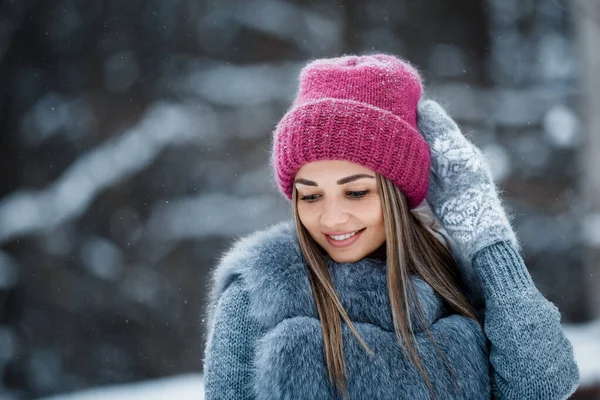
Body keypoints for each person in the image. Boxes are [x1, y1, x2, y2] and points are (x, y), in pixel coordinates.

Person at [202, 54, 579, 399]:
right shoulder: (257, 294)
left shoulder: (453, 282)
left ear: (398, 193)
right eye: (311, 196)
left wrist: (487, 238)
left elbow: (544, 386)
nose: (332, 219)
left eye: (356, 193)